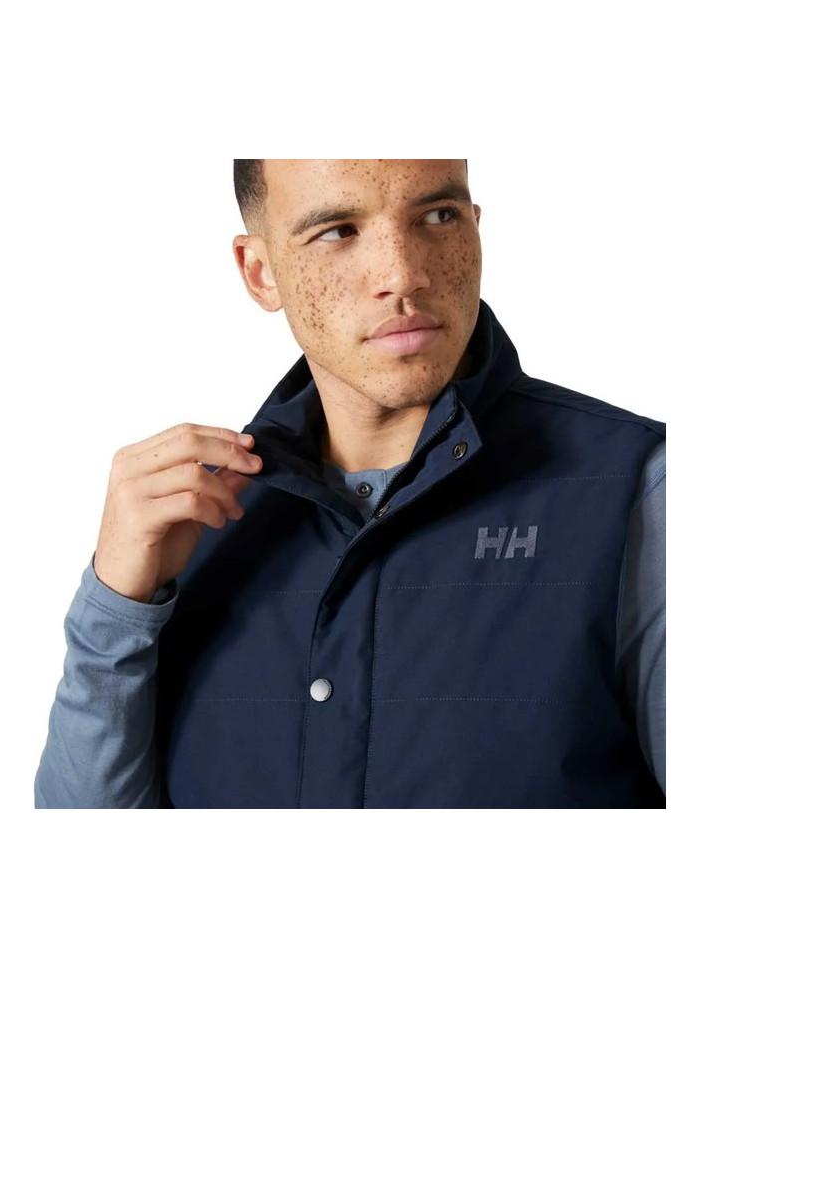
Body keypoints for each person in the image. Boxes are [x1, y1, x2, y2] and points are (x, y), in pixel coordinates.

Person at [34, 159, 665, 808]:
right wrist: (115, 610)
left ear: (475, 229)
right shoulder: (190, 526)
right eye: (338, 231)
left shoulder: (637, 491)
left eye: (438, 216)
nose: (403, 274)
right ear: (260, 272)